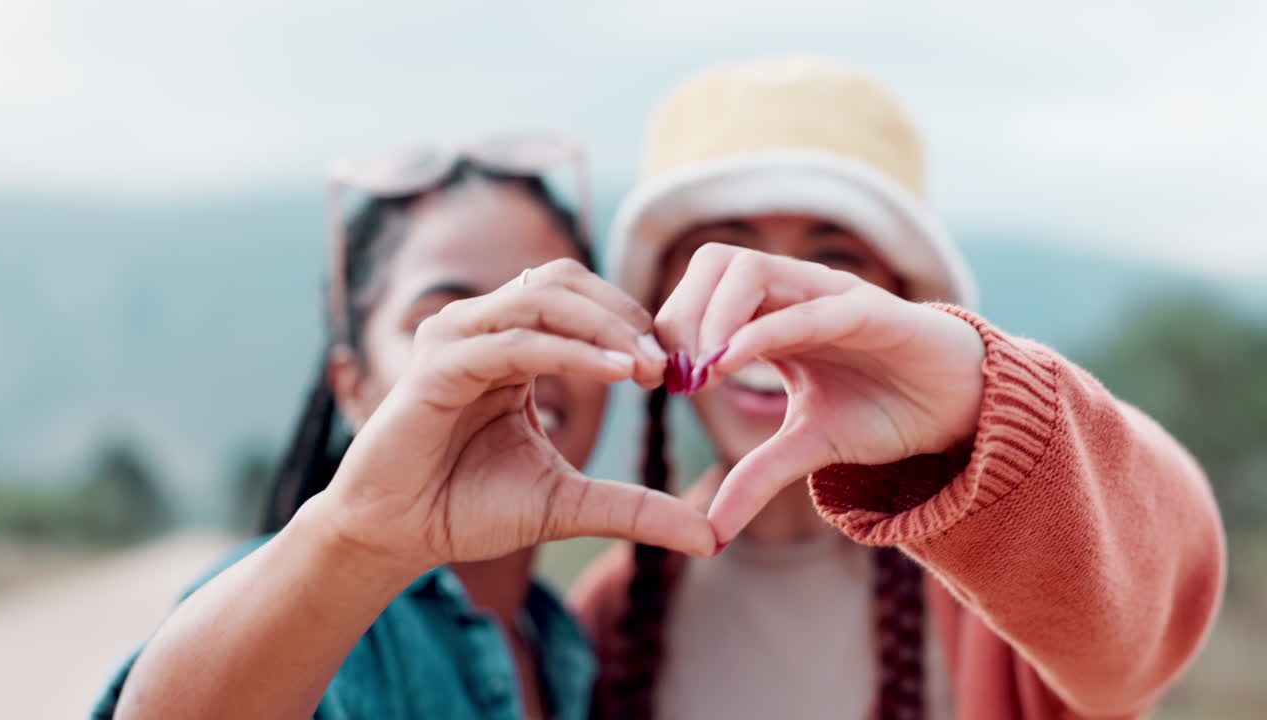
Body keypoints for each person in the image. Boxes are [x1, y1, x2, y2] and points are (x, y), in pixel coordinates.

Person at [570, 57, 1225, 720]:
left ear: (901, 301)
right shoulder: (607, 621)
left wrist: (986, 400)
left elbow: (1166, 574)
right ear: (658, 298)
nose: (767, 305)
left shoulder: (997, 587)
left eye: (835, 258)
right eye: (722, 256)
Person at [93, 134, 714, 720]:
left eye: (554, 312)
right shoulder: (298, 611)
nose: (512, 358)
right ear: (350, 385)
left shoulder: (571, 640)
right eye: (446, 322)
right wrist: (360, 542)